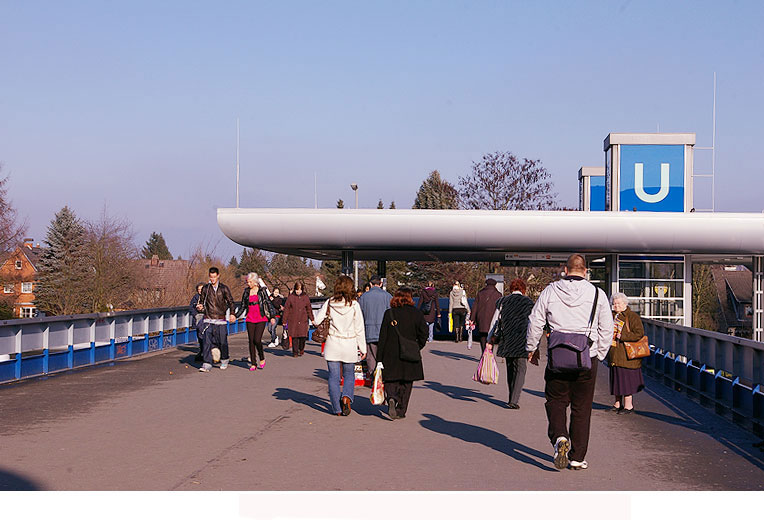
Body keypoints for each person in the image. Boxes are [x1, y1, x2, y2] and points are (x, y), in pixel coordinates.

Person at [526, 254, 613, 470]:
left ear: (566, 270)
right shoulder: (597, 294)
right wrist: (598, 354)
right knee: (582, 408)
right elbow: (607, 328)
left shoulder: (550, 290)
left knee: (556, 401)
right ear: (585, 271)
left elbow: (535, 319)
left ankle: (559, 437)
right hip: (586, 357)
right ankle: (577, 457)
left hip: (557, 356)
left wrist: (532, 348)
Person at [312, 275, 367, 416]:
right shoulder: (354, 305)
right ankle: (346, 397)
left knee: (333, 377)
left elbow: (317, 321)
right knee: (349, 375)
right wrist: (363, 348)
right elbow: (359, 328)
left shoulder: (329, 302)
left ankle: (336, 408)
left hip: (333, 343)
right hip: (349, 343)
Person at [376, 288, 429, 419]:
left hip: (390, 352)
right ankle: (401, 410)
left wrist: (379, 358)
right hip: (409, 353)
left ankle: (392, 397)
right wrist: (417, 346)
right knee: (407, 382)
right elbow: (424, 334)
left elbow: (383, 337)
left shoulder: (389, 313)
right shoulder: (416, 314)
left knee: (391, 379)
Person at [487, 278, 534, 409]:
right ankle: (514, 399)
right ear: (523, 289)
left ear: (511, 289)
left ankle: (511, 397)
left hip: (507, 339)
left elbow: (495, 321)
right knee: (521, 370)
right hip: (522, 339)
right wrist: (533, 344)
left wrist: (489, 339)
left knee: (510, 369)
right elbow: (533, 323)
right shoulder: (529, 303)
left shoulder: (503, 301)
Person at [608, 292, 645, 414]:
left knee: (626, 380)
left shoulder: (632, 317)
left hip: (627, 355)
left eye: (618, 303)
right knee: (616, 378)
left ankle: (629, 405)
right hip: (615, 353)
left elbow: (639, 334)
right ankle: (617, 403)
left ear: (625, 303)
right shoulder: (611, 316)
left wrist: (622, 336)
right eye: (614, 303)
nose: (616, 305)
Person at [196, 267, 237, 373]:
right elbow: (202, 302)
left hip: (221, 319)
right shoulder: (206, 288)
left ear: (218, 276)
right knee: (207, 342)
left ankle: (224, 359)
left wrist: (232, 314)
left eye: (214, 277)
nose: (213, 279)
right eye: (211, 277)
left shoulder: (224, 288)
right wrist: (200, 307)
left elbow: (231, 302)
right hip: (208, 319)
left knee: (222, 342)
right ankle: (207, 363)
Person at [237, 273, 277, 371]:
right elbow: (242, 306)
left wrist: (272, 316)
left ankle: (261, 357)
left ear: (255, 282)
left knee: (257, 340)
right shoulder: (246, 292)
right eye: (248, 282)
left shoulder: (262, 291)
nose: (249, 284)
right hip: (250, 318)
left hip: (260, 317)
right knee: (251, 340)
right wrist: (236, 315)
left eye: (250, 282)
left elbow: (268, 303)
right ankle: (253, 363)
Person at [358, 275, 392, 379]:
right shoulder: (388, 296)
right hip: (385, 333)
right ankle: (383, 379)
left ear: (370, 284)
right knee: (384, 357)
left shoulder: (363, 297)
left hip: (369, 332)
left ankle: (374, 379)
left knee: (371, 357)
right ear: (381, 284)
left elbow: (360, 316)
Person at [283, 281, 314, 357]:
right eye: (297, 290)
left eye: (300, 290)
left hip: (303, 319)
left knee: (303, 336)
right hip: (293, 319)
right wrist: (284, 320)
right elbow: (286, 309)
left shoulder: (305, 297)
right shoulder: (291, 297)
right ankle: (295, 352)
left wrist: (312, 319)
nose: (298, 292)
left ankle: (301, 348)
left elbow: (309, 309)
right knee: (294, 336)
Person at [470, 278, 502, 353]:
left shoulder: (480, 293)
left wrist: (472, 319)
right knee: (491, 337)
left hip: (482, 319)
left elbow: (475, 307)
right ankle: (489, 352)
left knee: (483, 337)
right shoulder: (498, 295)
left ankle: (483, 352)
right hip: (493, 320)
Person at [190, 283, 205, 362]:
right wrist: (195, 314)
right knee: (199, 335)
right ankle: (202, 350)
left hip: (206, 318)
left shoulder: (208, 297)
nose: (200, 291)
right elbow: (191, 307)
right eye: (199, 289)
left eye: (201, 289)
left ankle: (206, 351)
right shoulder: (195, 298)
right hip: (198, 318)